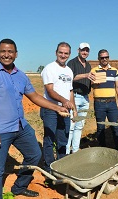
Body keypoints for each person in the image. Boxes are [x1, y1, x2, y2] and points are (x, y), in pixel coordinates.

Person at [0, 39, 68, 198]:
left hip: (20, 127)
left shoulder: (21, 75)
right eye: (3, 51)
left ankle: (19, 187)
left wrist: (57, 107)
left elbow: (34, 96)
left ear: (16, 54)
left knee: (34, 154)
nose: (7, 55)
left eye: (10, 51)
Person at [40, 42, 76, 173]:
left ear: (69, 54)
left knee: (63, 138)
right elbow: (50, 91)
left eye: (66, 53)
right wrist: (64, 101)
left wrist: (73, 108)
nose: (63, 55)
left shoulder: (69, 71)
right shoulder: (49, 69)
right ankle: (48, 166)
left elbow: (70, 91)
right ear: (56, 53)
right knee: (49, 138)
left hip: (65, 110)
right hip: (51, 109)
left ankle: (62, 164)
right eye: (61, 52)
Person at [91, 49, 118, 152]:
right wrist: (95, 83)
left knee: (115, 127)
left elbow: (117, 87)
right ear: (98, 59)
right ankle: (102, 151)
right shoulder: (94, 71)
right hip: (99, 103)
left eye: (106, 57)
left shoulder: (114, 71)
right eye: (102, 58)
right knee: (100, 128)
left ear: (109, 58)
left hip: (112, 103)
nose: (104, 59)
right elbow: (91, 85)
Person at [66, 42, 96, 154]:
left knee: (79, 126)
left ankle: (75, 150)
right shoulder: (72, 63)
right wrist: (86, 75)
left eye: (87, 50)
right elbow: (70, 77)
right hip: (74, 97)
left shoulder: (88, 65)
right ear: (78, 50)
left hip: (85, 98)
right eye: (83, 50)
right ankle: (66, 151)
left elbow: (89, 80)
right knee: (71, 126)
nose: (85, 52)